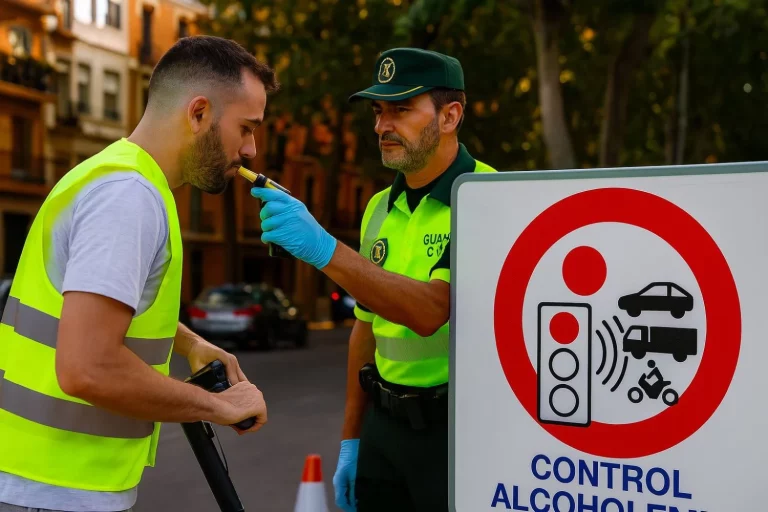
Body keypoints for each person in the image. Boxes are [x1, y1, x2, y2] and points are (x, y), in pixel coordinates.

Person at [0, 35, 278, 512]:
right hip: (56, 493)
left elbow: (96, 307)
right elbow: (88, 367)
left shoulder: (118, 177)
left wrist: (190, 342)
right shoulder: (129, 198)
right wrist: (220, 406)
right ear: (199, 113)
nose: (251, 149)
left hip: (42, 482)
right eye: (246, 128)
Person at [250, 47, 497, 511]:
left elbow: (430, 312)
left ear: (450, 116)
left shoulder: (486, 196)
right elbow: (366, 330)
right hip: (383, 426)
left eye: (402, 110)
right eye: (379, 112)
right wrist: (352, 441)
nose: (383, 126)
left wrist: (324, 248)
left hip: (456, 432)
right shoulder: (378, 207)